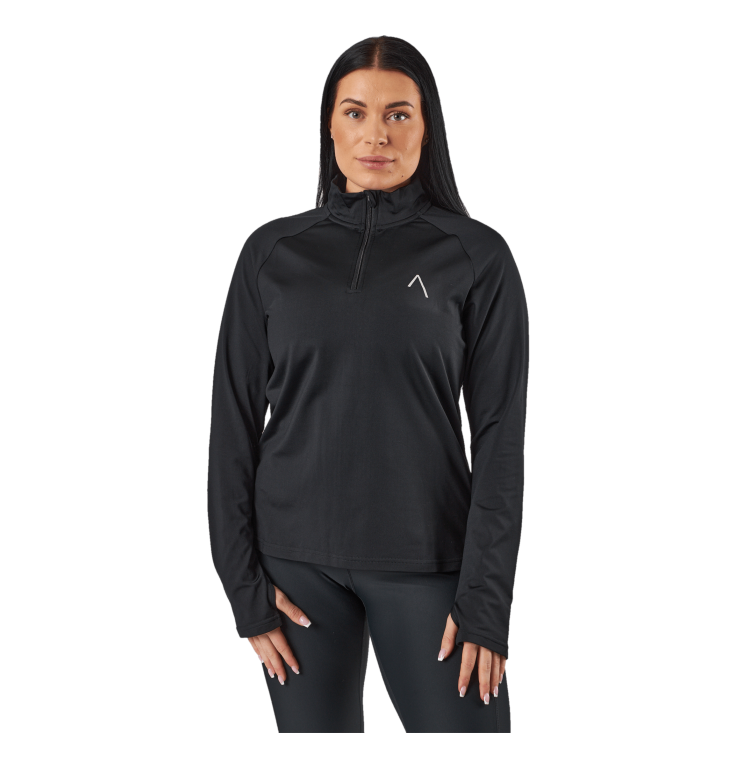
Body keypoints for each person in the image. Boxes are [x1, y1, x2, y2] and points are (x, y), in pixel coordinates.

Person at [207, 35, 529, 736]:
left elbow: (501, 435)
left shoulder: (476, 255)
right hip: (295, 569)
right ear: (329, 124)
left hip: (430, 560)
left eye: (397, 114)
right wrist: (243, 588)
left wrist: (486, 600)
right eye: (355, 112)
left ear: (426, 126)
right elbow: (232, 427)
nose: (375, 135)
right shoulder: (270, 252)